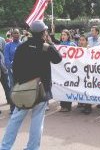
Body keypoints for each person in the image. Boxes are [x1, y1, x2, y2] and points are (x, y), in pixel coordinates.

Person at [0, 20, 62, 150]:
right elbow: (58, 58)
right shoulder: (46, 47)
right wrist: (50, 42)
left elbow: (15, 68)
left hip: (24, 90)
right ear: (44, 32)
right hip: (41, 90)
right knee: (37, 122)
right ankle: (32, 148)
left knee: (15, 119)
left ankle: (5, 147)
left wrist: (20, 84)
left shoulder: (22, 46)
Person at [51, 29, 76, 112]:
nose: (63, 36)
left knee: (68, 87)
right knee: (62, 86)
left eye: (65, 35)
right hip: (61, 70)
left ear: (68, 36)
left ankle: (68, 106)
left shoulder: (72, 44)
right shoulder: (60, 45)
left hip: (69, 69)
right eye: (62, 35)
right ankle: (62, 105)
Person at [4, 29, 22, 114]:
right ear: (11, 35)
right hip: (11, 71)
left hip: (21, 70)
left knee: (21, 88)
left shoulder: (22, 44)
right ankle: (13, 107)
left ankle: (21, 106)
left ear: (20, 34)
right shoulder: (8, 45)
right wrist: (11, 67)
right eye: (14, 33)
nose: (16, 34)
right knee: (13, 88)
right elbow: (6, 59)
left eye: (17, 33)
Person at [0, 36, 10, 106]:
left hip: (2, 66)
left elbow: (4, 52)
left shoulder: (2, 39)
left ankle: (10, 100)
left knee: (6, 84)